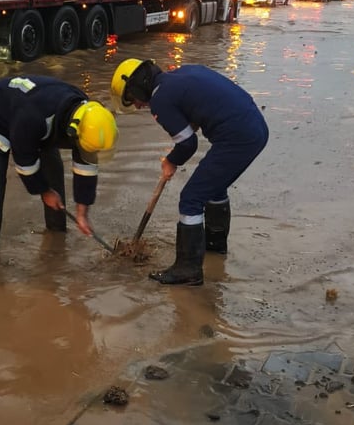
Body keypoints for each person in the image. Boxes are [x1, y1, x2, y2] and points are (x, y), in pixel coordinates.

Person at [111, 58, 268, 286]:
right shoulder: (182, 74)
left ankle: (188, 270)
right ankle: (214, 247)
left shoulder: (160, 99)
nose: (136, 106)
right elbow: (200, 108)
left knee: (191, 198)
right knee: (214, 188)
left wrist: (170, 162)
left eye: (132, 99)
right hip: (256, 127)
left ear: (137, 87)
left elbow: (187, 144)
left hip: (237, 137)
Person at [0, 74, 118, 248]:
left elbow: (85, 163)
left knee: (53, 171)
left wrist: (82, 210)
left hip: (39, 120)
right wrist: (44, 191)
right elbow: (25, 162)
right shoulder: (32, 118)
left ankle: (57, 236)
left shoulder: (87, 117)